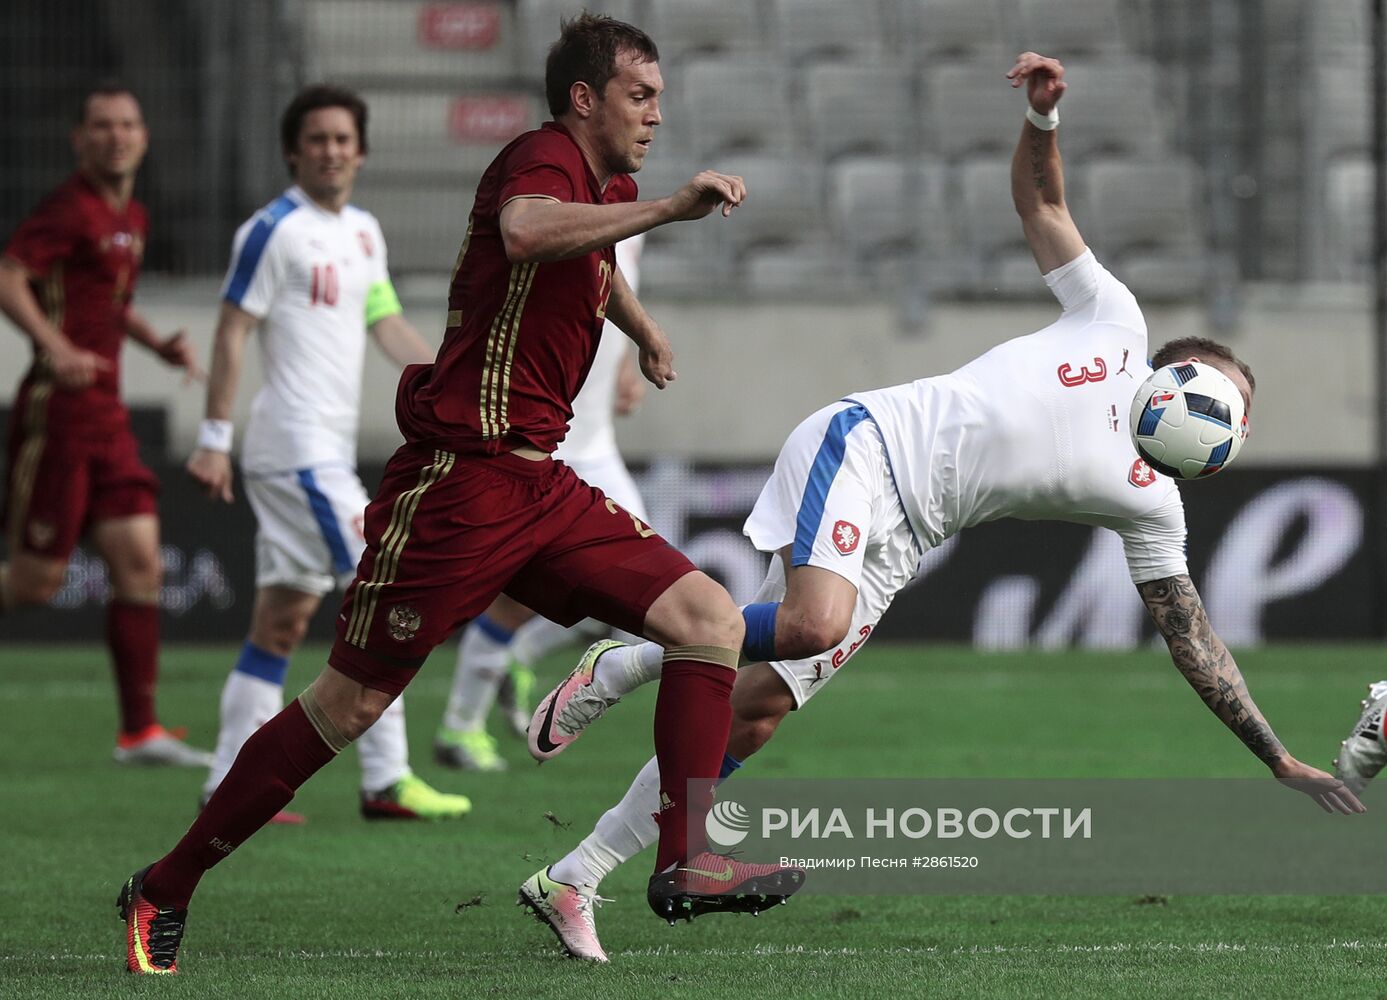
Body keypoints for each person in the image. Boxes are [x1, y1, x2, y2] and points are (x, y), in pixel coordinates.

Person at [516, 51, 1364, 963]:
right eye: (1218, 389)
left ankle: (576, 873)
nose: (1221, 411)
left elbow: (1190, 637)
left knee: (753, 713)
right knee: (806, 624)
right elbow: (1042, 208)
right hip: (870, 442)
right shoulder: (1113, 323)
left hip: (907, 536)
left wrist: (1273, 756)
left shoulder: (1153, 504)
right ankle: (631, 658)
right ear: (1174, 372)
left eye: (1236, 412)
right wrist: (1041, 122)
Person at [118, 14, 803, 976]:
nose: (656, 114)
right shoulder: (539, 158)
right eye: (639, 96)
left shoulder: (601, 185)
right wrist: (664, 213)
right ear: (582, 98)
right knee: (347, 705)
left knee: (706, 619)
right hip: (460, 481)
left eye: (658, 98)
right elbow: (527, 234)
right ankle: (164, 884)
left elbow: (588, 266)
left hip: (540, 482)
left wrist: (640, 328)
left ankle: (684, 859)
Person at [186, 85, 471, 823]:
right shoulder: (271, 230)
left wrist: (450, 382)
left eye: (343, 139)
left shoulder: (364, 233)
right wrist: (214, 438)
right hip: (295, 449)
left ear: (362, 151)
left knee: (280, 621)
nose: (331, 150)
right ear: (294, 150)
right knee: (388, 583)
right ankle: (386, 777)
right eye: (317, 139)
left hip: (317, 454)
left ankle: (225, 778)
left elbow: (384, 325)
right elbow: (229, 332)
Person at [0, 83, 209, 766]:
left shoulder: (133, 216)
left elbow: (110, 301)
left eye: (127, 124)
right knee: (32, 584)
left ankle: (139, 733)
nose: (117, 136)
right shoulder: (67, 208)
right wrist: (53, 347)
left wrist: (156, 345)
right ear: (79, 139)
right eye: (102, 126)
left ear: (143, 137)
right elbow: (9, 276)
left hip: (108, 418)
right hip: (56, 416)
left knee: (140, 564)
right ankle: (139, 730)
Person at [435, 234, 650, 771]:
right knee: (516, 597)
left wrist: (624, 359)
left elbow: (613, 295)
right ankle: (459, 730)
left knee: (646, 585)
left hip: (597, 446)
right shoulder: (550, 208)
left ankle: (514, 663)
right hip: (546, 447)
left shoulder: (631, 214)